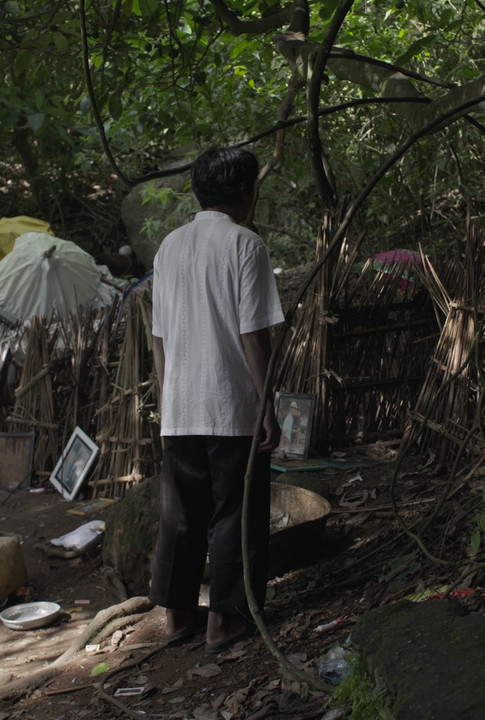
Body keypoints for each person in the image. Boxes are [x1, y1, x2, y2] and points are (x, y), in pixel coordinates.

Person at [150, 147, 284, 653]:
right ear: (246, 193)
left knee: (182, 516)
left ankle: (179, 615)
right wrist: (266, 404)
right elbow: (253, 335)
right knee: (235, 512)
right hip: (230, 406)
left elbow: (158, 337)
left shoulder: (169, 248)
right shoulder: (245, 246)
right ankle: (224, 621)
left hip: (181, 406)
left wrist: (169, 400)